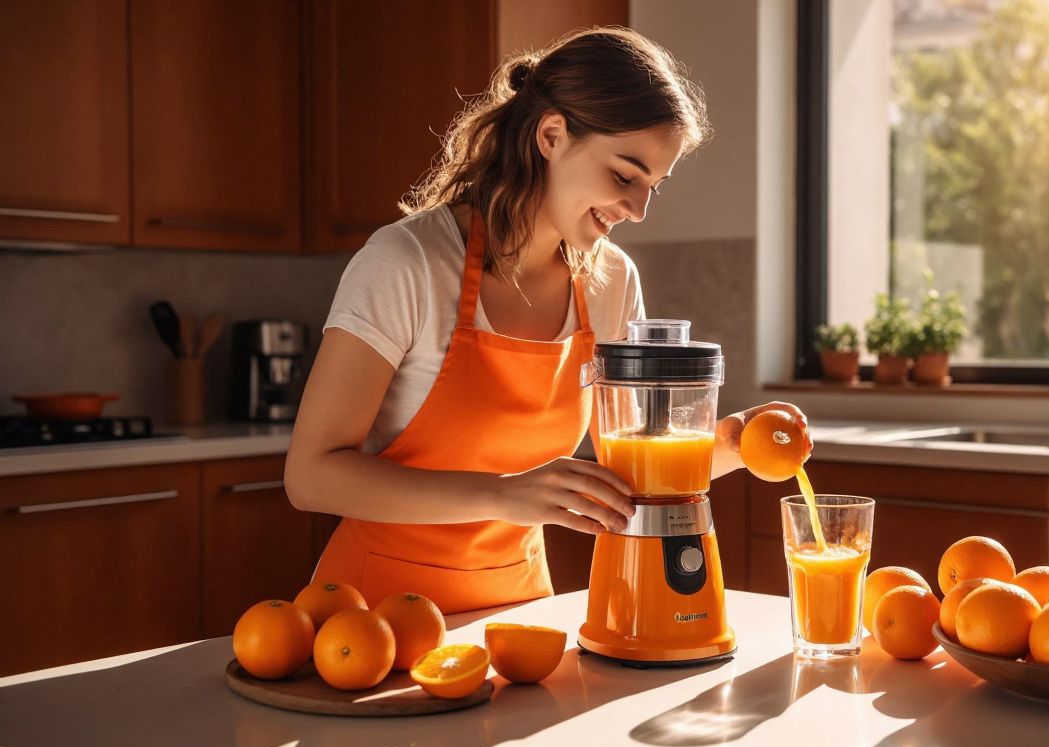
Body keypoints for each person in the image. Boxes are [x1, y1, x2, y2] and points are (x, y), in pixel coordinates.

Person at [285, 27, 810, 615]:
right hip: (371, 620)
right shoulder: (408, 263)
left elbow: (631, 470)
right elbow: (311, 476)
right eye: (623, 175)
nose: (637, 210)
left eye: (652, 188)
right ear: (552, 135)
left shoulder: (611, 282)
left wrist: (735, 442)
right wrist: (503, 495)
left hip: (518, 614)